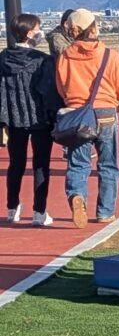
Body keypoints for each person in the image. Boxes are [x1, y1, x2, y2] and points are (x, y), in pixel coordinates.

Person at [55, 8, 119, 228]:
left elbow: (61, 86)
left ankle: (77, 195)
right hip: (106, 114)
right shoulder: (110, 56)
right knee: (108, 165)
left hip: (78, 116)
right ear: (94, 28)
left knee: (78, 164)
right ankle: (105, 212)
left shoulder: (65, 56)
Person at [0, 14, 61, 225]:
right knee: (41, 165)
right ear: (29, 33)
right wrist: (54, 116)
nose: (40, 32)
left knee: (15, 163)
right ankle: (39, 211)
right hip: (40, 119)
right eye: (38, 28)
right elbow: (48, 92)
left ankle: (11, 208)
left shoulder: (3, 59)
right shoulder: (41, 60)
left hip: (14, 120)